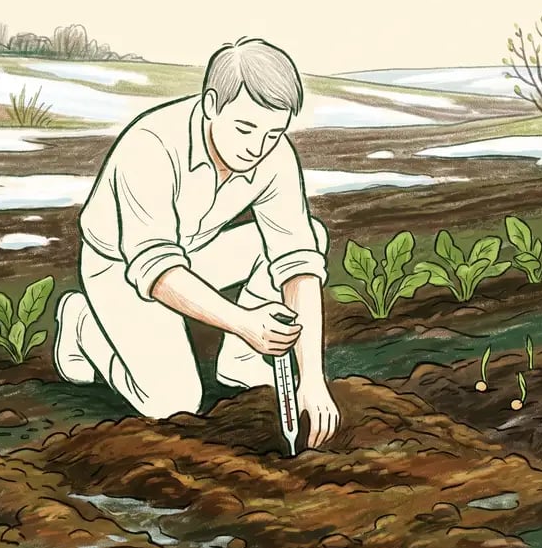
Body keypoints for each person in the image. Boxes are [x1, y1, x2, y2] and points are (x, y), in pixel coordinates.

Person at [52, 37, 341, 448]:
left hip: (193, 251)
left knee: (310, 235)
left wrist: (312, 379)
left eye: (273, 133)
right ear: (211, 105)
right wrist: (245, 322)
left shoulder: (274, 155)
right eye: (245, 128)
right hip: (118, 267)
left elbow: (297, 263)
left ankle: (241, 359)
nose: (258, 148)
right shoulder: (149, 146)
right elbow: (158, 271)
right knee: (173, 402)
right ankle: (83, 323)